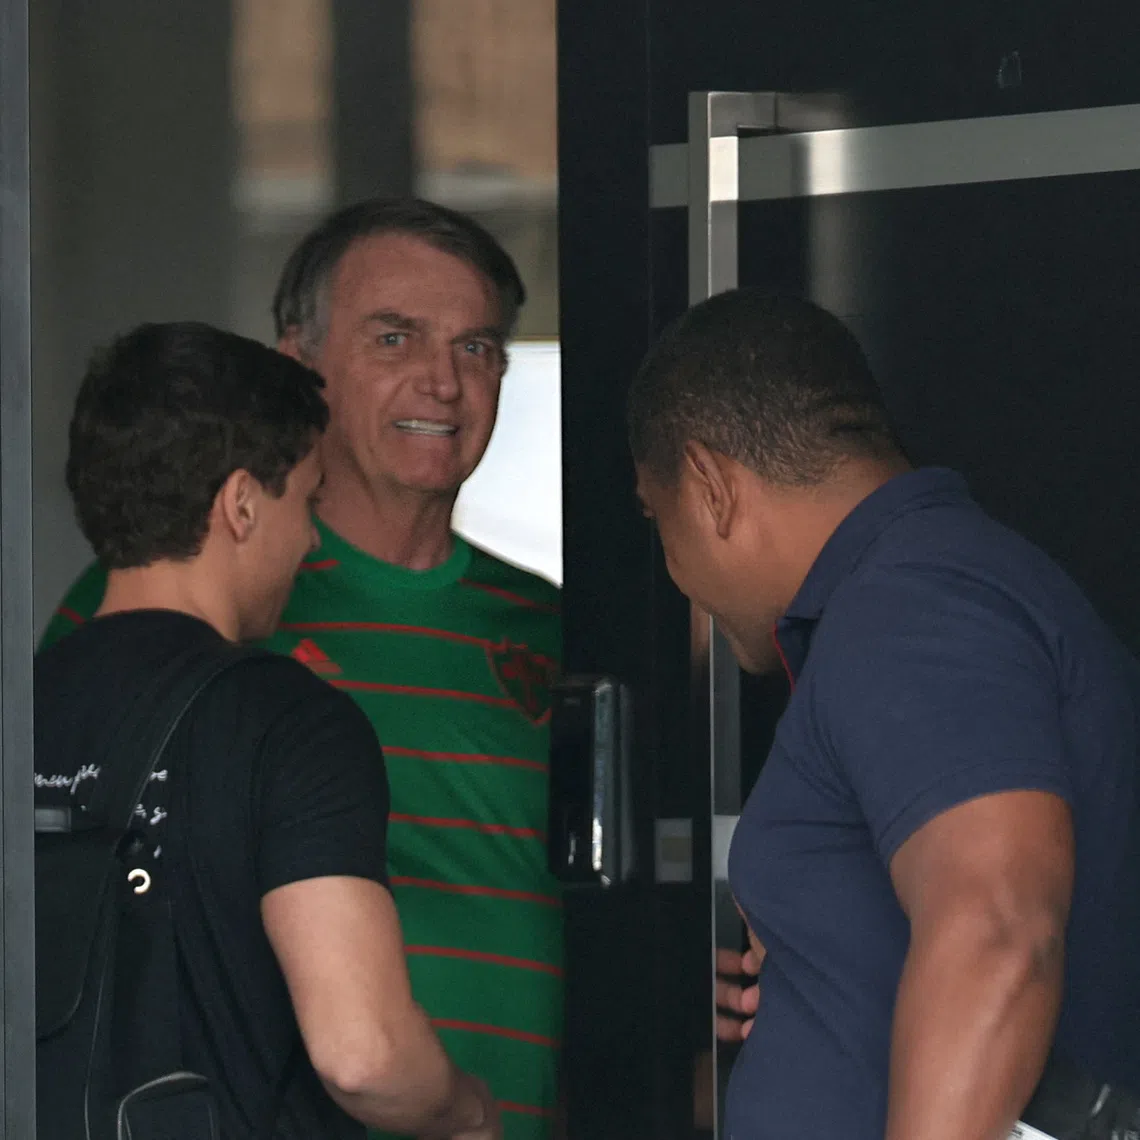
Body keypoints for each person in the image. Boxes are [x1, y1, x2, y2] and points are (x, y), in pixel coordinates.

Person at [42, 201, 562, 1140]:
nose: (443, 382)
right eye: (395, 337)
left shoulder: (563, 630)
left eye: (478, 348)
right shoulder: (147, 616)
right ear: (299, 364)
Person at [627, 289, 1140, 1140]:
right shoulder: (923, 594)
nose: (674, 567)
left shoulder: (911, 606)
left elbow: (999, 929)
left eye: (659, 519)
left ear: (710, 486)